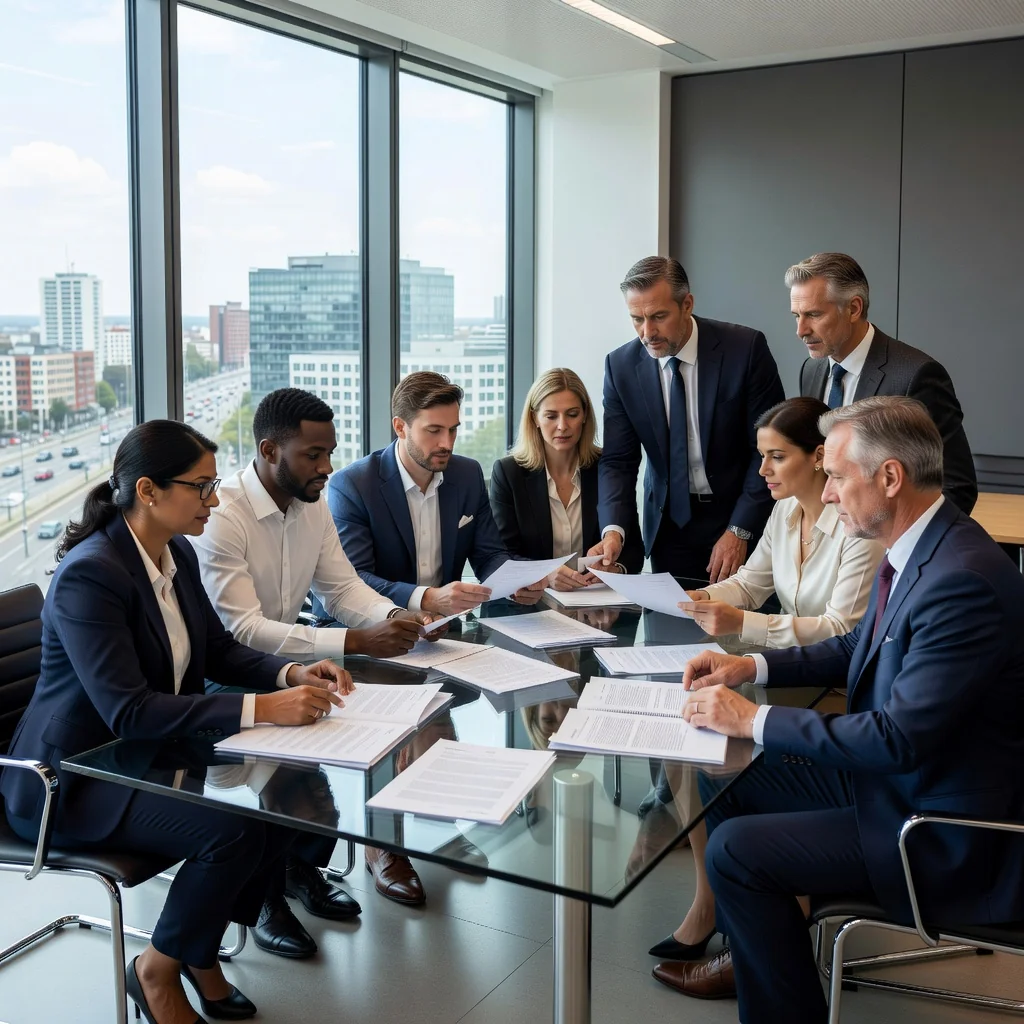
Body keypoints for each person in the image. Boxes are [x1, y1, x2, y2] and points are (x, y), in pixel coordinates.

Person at [652, 398, 1024, 1024]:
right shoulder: (927, 545)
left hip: (938, 826)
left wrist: (751, 718)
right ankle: (764, 961)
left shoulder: (961, 580)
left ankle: (776, 996)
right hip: (905, 782)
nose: (825, 494)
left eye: (836, 476)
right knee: (731, 778)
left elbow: (894, 739)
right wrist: (752, 667)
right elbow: (857, 646)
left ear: (889, 478)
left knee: (736, 850)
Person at [1, 420, 352, 1024]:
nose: (215, 501)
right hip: (69, 781)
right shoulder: (91, 575)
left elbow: (218, 651)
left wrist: (287, 675)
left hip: (144, 755)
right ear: (148, 491)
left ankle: (193, 953)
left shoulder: (175, 552)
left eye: (214, 485)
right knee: (233, 832)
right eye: (201, 487)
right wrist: (261, 708)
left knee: (277, 807)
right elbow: (128, 709)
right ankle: (159, 971)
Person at [190, 388, 440, 959]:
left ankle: (299, 871)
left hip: (290, 670)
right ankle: (263, 897)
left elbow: (343, 587)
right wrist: (355, 639)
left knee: (322, 807)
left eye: (330, 452)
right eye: (313, 455)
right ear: (269, 449)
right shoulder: (221, 517)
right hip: (219, 680)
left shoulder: (311, 502)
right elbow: (240, 632)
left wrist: (400, 616)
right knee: (302, 800)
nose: (327, 467)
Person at [647, 396, 883, 966]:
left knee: (719, 750)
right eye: (761, 457)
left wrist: (742, 624)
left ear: (819, 457)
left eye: (777, 457)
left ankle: (776, 909)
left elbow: (841, 632)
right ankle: (709, 901)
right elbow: (750, 585)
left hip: (836, 691)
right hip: (787, 677)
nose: (762, 472)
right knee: (689, 736)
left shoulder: (860, 525)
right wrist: (696, 599)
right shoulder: (784, 513)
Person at [326, 371, 539, 902]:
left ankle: (440, 830)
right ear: (400, 426)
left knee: (443, 719)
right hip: (369, 634)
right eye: (433, 431)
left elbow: (489, 553)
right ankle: (383, 847)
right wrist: (424, 599)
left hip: (441, 633)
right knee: (407, 720)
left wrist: (516, 583)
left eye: (454, 430)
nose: (446, 443)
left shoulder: (465, 475)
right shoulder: (353, 484)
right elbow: (351, 581)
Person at [591, 256, 785, 583]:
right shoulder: (620, 367)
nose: (647, 332)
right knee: (669, 630)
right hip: (670, 528)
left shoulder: (745, 350)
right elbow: (618, 461)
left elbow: (769, 450)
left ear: (687, 304)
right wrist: (614, 532)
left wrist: (740, 529)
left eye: (658, 317)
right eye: (636, 319)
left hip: (741, 518)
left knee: (745, 628)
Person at [788, 251, 977, 514]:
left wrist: (898, 552)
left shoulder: (916, 376)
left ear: (853, 308)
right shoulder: (811, 369)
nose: (801, 330)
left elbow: (957, 487)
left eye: (814, 314)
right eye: (797, 315)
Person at [490, 367, 644, 590]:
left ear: (584, 416)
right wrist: (545, 574)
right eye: (551, 416)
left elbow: (634, 551)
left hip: (597, 606)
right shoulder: (508, 473)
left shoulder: (608, 469)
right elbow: (501, 555)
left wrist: (616, 569)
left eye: (572, 414)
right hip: (533, 603)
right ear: (535, 418)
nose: (562, 426)